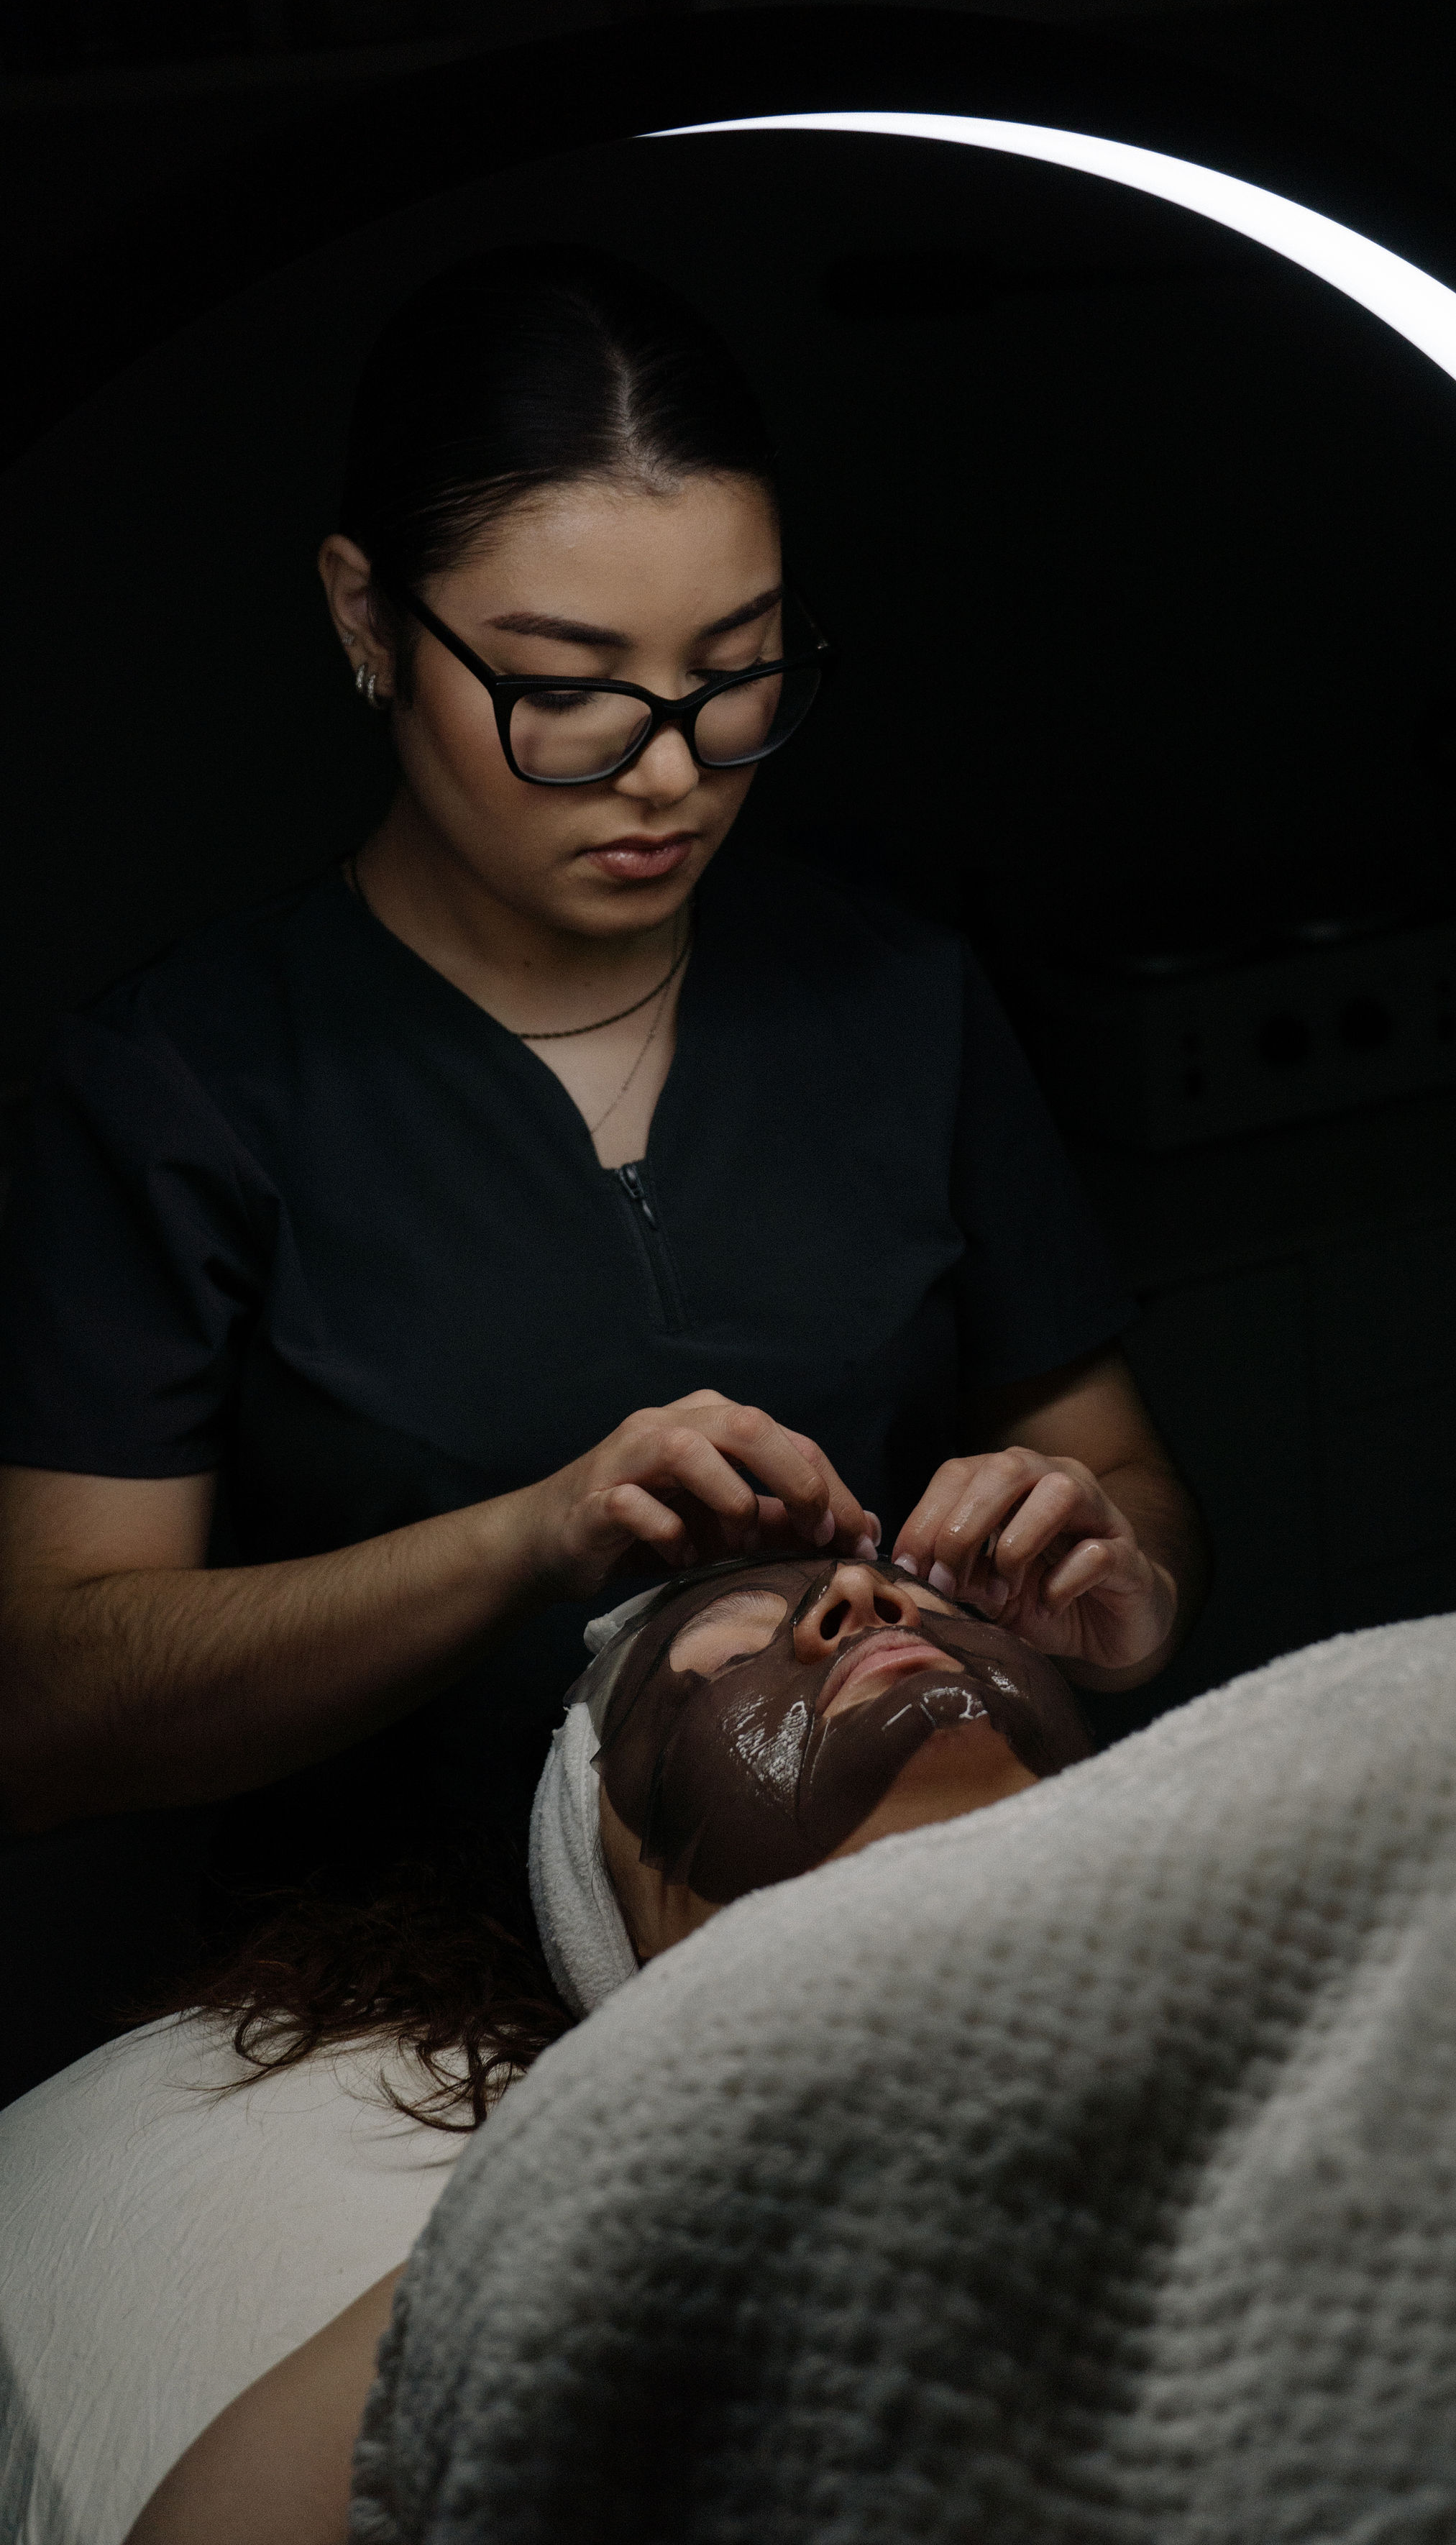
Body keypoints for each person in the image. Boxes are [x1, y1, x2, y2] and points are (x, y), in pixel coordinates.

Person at [0, 241, 1202, 2005]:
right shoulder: (186, 1087)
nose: (668, 770)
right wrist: (525, 1541)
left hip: (908, 1957)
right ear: (365, 620)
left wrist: (1121, 1578)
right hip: (382, 2024)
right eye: (563, 688)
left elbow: (1116, 1468)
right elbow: (48, 1705)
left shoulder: (891, 998)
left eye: (736, 669)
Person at [121, 1548, 1092, 2544]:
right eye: (728, 1660)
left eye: (930, 1601)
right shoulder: (610, 2216)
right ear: (623, 1944)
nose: (859, 1591)